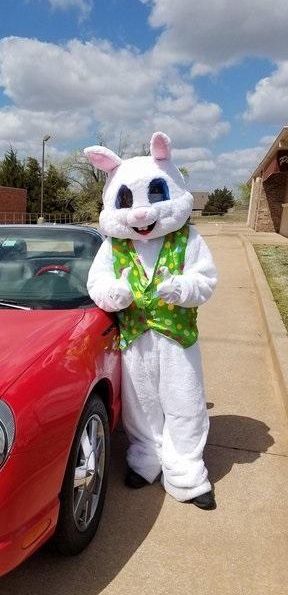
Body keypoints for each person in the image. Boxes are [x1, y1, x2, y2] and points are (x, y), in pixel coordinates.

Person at [85, 132, 218, 510]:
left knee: (184, 402)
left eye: (155, 196)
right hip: (135, 338)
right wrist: (115, 295)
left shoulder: (187, 238)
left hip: (177, 338)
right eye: (127, 201)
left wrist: (183, 288)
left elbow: (206, 279)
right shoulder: (114, 245)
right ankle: (145, 458)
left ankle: (187, 471)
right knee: (140, 404)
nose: (141, 212)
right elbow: (98, 283)